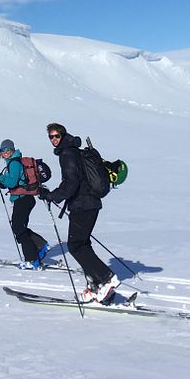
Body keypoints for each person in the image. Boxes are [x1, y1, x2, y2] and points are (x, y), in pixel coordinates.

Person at [38, 122, 119, 303]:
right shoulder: (74, 150)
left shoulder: (67, 153)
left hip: (83, 204)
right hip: (90, 204)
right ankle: (97, 286)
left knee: (75, 246)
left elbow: (71, 182)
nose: (54, 140)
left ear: (63, 135)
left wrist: (51, 196)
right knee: (82, 244)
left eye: (56, 136)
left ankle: (106, 278)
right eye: (51, 137)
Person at [0, 139, 51, 269]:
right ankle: (40, 246)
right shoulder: (12, 162)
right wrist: (1, 181)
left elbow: (12, 183)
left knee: (19, 229)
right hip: (23, 199)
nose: (5, 153)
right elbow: (13, 182)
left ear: (12, 150)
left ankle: (32, 259)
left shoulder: (14, 163)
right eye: (3, 150)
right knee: (19, 228)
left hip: (23, 199)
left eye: (7, 150)